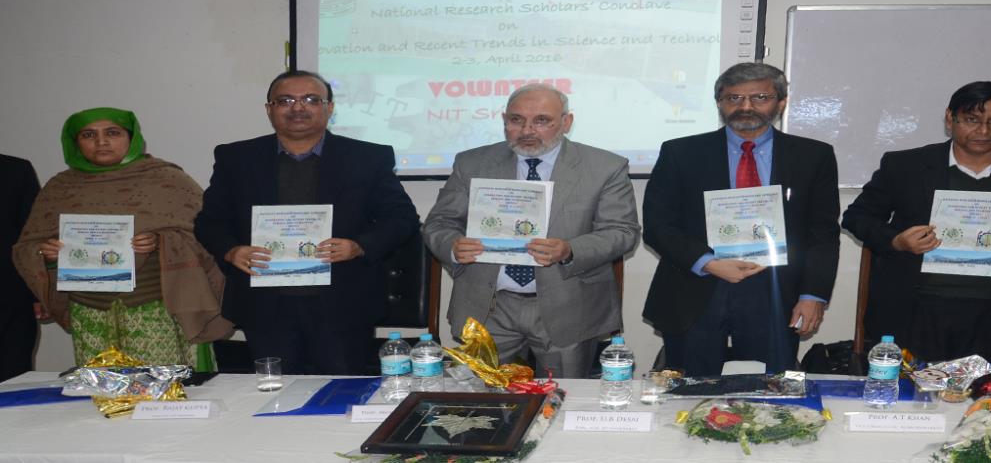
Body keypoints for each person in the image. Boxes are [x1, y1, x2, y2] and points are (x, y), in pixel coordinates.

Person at [841, 81, 991, 374]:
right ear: (949, 118)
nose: (983, 131)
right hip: (915, 308)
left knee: (983, 397)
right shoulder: (905, 165)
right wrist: (897, 241)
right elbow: (857, 217)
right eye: (971, 119)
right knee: (908, 393)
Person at [194, 70, 419, 375]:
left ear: (330, 107)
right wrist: (232, 251)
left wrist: (359, 246)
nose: (298, 108)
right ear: (269, 109)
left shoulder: (367, 157)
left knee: (340, 392)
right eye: (285, 100)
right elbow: (209, 222)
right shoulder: (236, 158)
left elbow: (402, 218)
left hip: (343, 302)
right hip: (265, 303)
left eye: (311, 100)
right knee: (274, 393)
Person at [421, 84, 639, 378]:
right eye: (516, 120)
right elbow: (439, 223)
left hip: (568, 306)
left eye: (541, 121)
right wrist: (453, 245)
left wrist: (569, 250)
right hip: (489, 305)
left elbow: (622, 231)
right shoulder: (471, 162)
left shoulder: (604, 167)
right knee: (482, 397)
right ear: (504, 120)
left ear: (566, 122)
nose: (527, 130)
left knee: (563, 396)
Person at [642, 62, 840, 376]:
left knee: (768, 392)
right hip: (697, 289)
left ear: (781, 102)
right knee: (690, 392)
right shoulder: (681, 152)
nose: (745, 106)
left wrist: (812, 294)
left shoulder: (813, 156)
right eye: (733, 98)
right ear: (719, 103)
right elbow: (658, 225)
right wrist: (708, 262)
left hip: (777, 293)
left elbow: (823, 233)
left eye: (760, 97)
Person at [11, 108, 232, 369]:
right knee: (102, 386)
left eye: (113, 133)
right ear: (74, 142)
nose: (101, 142)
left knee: (158, 386)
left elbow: (207, 234)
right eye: (88, 135)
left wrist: (160, 242)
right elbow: (27, 245)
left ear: (131, 137)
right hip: (88, 311)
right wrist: (46, 254)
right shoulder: (60, 188)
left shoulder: (167, 180)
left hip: (155, 308)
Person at [1, 154, 41, 381]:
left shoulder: (15, 170)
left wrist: (38, 292)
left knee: (13, 378)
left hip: (10, 297)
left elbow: (32, 235)